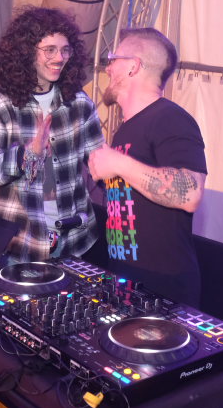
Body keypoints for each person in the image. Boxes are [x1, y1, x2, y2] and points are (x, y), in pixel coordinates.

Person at [87, 28, 207, 306]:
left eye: (113, 59)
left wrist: (118, 163)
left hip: (162, 291)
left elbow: (189, 194)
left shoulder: (169, 118)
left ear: (133, 66)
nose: (108, 68)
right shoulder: (128, 128)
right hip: (128, 282)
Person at [0, 6, 104, 261]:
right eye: (50, 50)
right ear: (26, 52)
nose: (59, 58)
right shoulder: (0, 104)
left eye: (65, 50)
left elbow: (100, 162)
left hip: (75, 240)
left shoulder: (79, 102)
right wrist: (27, 154)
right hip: (20, 242)